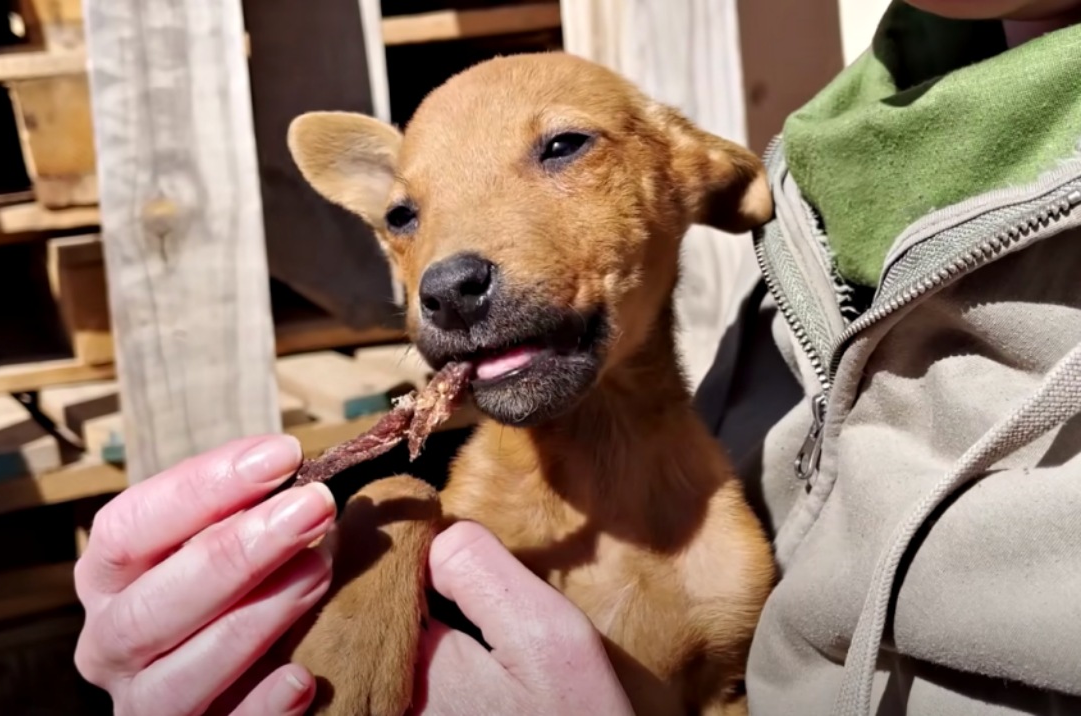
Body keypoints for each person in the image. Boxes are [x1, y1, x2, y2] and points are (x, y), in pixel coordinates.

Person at [73, 1, 1081, 713]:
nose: (446, 266)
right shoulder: (811, 196)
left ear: (691, 176)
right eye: (405, 215)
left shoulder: (725, 551)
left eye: (560, 148)